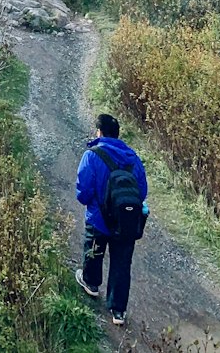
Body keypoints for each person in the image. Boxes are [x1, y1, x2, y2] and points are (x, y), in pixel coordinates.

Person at [75, 113, 149, 327]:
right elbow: (141, 192)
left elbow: (83, 193)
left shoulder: (92, 155)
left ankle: (91, 283)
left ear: (99, 132)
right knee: (122, 263)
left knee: (94, 250)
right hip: (125, 222)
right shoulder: (133, 158)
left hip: (98, 220)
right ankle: (118, 311)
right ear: (117, 134)